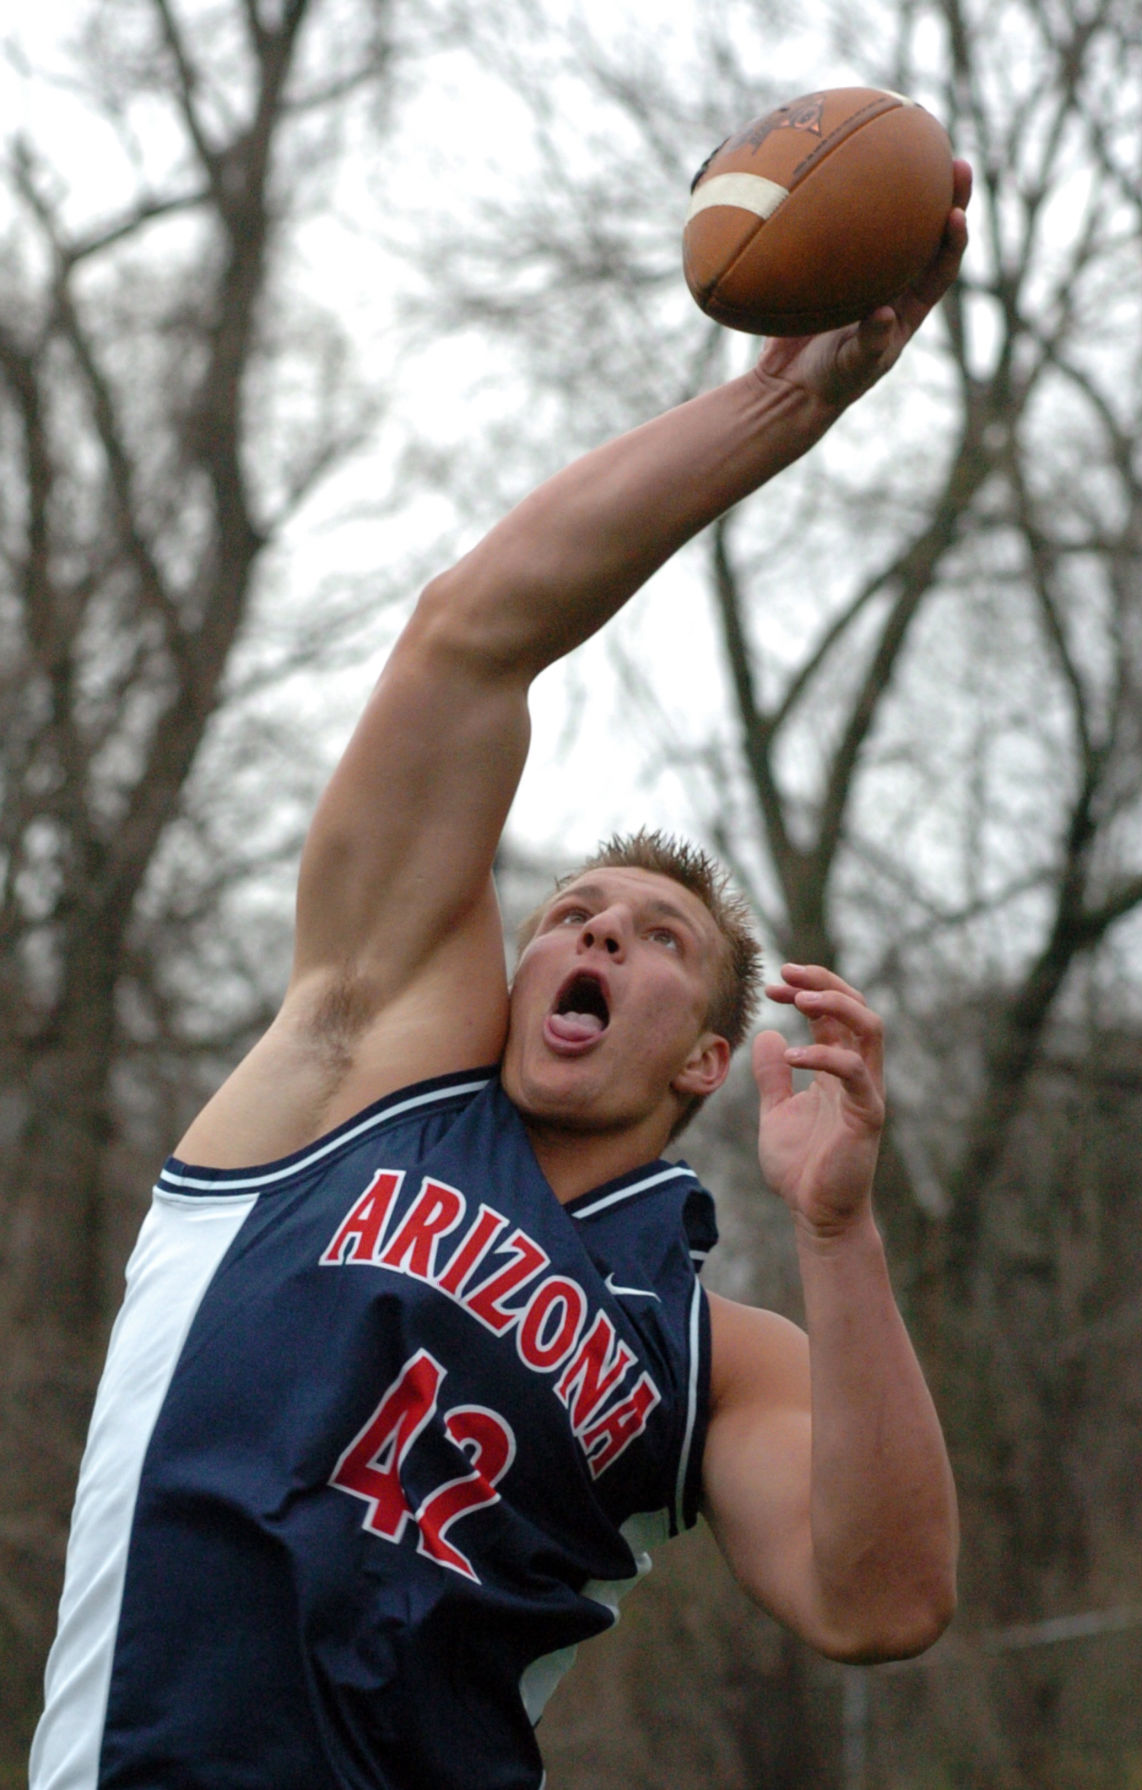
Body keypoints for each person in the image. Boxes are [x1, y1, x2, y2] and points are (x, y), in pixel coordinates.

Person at [30, 159, 970, 1790]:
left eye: (657, 938)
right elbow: (472, 633)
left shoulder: (704, 1346)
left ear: (700, 1060)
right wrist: (777, 404)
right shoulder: (351, 1083)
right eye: (574, 912)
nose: (597, 932)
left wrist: (838, 1229)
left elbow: (880, 1601)